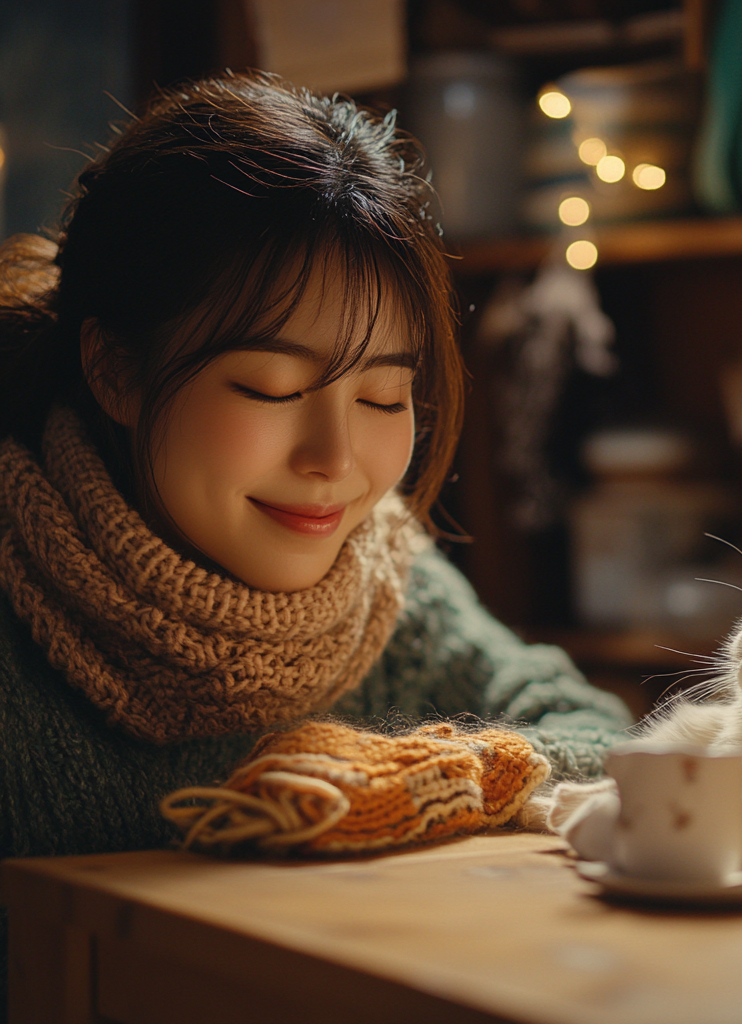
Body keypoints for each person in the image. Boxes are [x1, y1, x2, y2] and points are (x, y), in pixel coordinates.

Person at [0, 71, 632, 1002]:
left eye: (384, 396)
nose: (336, 460)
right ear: (116, 370)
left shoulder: (380, 580)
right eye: (270, 388)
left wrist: (417, 775)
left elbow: (603, 741)